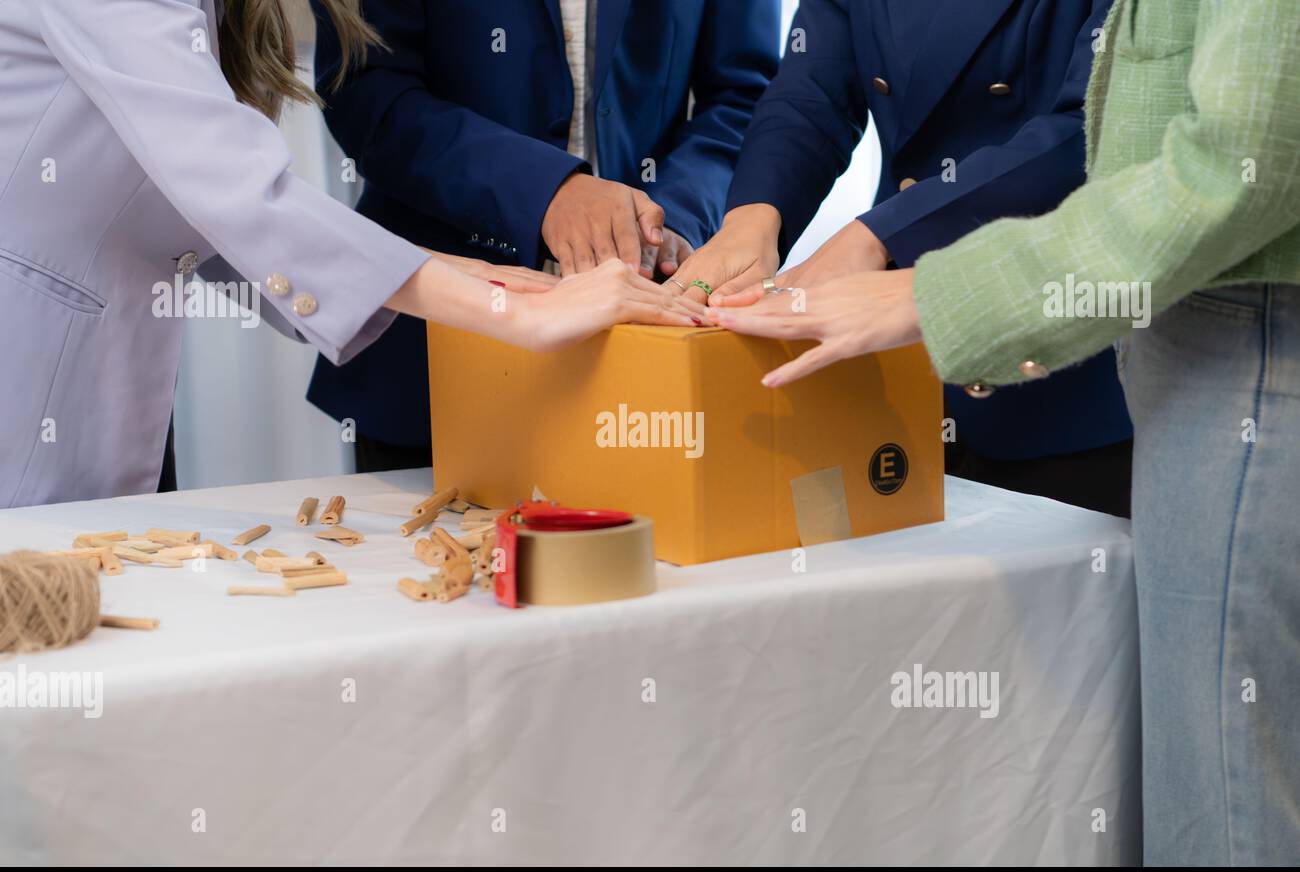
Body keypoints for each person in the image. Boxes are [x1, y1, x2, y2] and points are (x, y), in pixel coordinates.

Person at [712, 0, 1300, 866]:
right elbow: (816, 74)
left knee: (1201, 789)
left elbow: (1215, 162)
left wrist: (915, 273)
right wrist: (754, 215)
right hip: (1142, 332)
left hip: (1164, 344)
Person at [0, 0, 704, 509]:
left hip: (104, 384)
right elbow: (240, 194)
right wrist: (505, 313)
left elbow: (205, 215)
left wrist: (440, 270)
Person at [669, 0, 1132, 517]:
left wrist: (880, 235)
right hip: (891, 369)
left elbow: (1091, 126)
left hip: (1056, 362)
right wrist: (751, 221)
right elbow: (813, 92)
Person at [306, 0, 781, 472]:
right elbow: (366, 91)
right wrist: (545, 191)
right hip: (431, 364)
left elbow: (743, 98)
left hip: (646, 363)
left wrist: (671, 218)